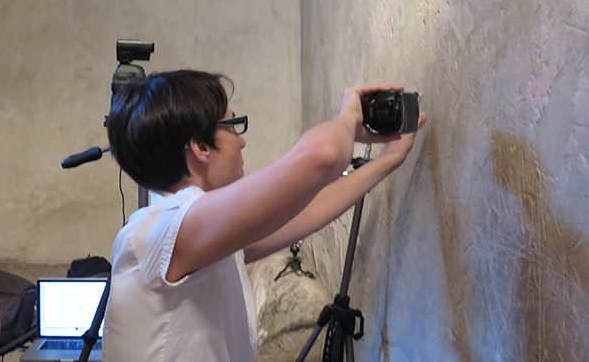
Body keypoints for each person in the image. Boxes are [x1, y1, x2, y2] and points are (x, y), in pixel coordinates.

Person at [101, 70, 426, 362]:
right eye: (233, 125)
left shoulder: (198, 235)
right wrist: (349, 120)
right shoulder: (160, 229)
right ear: (201, 146)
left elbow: (308, 210)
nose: (241, 141)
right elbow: (322, 155)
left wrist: (389, 160)